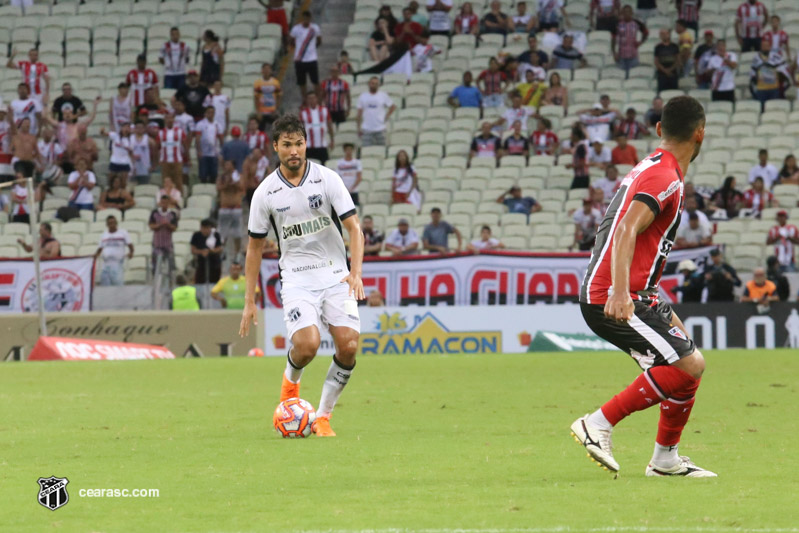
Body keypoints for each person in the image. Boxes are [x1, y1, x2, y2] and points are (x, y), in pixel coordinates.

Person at [573, 95, 716, 478]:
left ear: (659, 130)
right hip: (615, 294)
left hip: (640, 292)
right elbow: (624, 230)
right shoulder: (665, 177)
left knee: (688, 359)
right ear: (701, 133)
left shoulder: (656, 167)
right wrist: (620, 292)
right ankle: (598, 423)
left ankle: (666, 459)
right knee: (689, 365)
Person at [240, 114, 365, 438]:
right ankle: (289, 388)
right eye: (287, 145)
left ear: (306, 144)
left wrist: (355, 272)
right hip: (296, 278)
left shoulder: (327, 179)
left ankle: (322, 417)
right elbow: (254, 248)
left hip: (336, 274)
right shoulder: (265, 193)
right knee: (307, 346)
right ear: (275, 147)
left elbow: (354, 229)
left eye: (299, 143)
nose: (294, 150)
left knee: (349, 346)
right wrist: (248, 301)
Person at [216, 160, 246, 259]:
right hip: (224, 207)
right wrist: (227, 184)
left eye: (228, 164)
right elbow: (218, 188)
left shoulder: (239, 176)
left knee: (237, 233)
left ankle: (237, 253)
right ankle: (222, 251)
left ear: (233, 166)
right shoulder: (222, 177)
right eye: (225, 165)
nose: (226, 166)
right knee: (222, 232)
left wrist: (234, 184)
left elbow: (242, 187)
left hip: (236, 207)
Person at [94, 215, 134, 286]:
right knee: (105, 286)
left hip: (117, 263)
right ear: (107, 224)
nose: (112, 224)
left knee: (117, 284)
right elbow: (100, 248)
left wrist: (131, 253)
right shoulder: (104, 235)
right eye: (110, 223)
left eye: (113, 222)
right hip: (106, 264)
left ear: (116, 223)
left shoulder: (123, 233)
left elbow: (130, 245)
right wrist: (95, 256)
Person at [356, 77, 395, 147]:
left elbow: (392, 107)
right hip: (366, 129)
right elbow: (359, 113)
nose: (374, 85)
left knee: (382, 149)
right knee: (366, 150)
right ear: (369, 84)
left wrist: (387, 116)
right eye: (372, 83)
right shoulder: (363, 96)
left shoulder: (383, 95)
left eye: (376, 84)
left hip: (380, 128)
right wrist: (359, 128)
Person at [750, 39, 788, 110]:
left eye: (767, 46)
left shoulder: (777, 57)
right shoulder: (756, 59)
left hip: (774, 89)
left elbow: (783, 71)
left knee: (773, 109)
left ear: (770, 47)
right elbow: (753, 75)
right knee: (762, 109)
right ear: (760, 47)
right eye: (763, 46)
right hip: (761, 89)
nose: (765, 47)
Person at [611, 5, 648, 74]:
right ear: (622, 13)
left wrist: (641, 42)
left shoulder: (636, 23)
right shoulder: (618, 24)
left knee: (633, 76)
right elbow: (613, 38)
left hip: (633, 55)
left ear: (632, 13)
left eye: (628, 12)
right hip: (621, 56)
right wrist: (614, 52)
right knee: (621, 76)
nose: (626, 14)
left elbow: (646, 32)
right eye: (625, 12)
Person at [299, 92, 334, 164]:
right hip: (309, 146)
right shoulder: (303, 113)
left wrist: (332, 139)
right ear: (307, 100)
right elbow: (300, 129)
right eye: (309, 98)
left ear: (317, 99)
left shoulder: (324, 110)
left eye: (313, 98)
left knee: (324, 167)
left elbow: (329, 125)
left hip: (322, 145)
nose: (312, 100)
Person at [159, 112, 189, 193]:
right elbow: (158, 147)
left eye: (171, 118)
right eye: (167, 118)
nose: (169, 120)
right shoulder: (161, 132)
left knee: (178, 181)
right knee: (165, 181)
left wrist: (188, 159)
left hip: (177, 160)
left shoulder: (179, 131)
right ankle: (165, 198)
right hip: (165, 161)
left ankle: (180, 200)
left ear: (173, 119)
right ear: (165, 120)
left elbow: (185, 146)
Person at [149, 195, 178, 275]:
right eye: (162, 202)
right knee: (155, 266)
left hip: (168, 244)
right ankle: (155, 281)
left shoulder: (172, 214)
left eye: (166, 202)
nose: (164, 204)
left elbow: (174, 228)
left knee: (171, 265)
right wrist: (160, 225)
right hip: (157, 244)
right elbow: (151, 226)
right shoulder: (155, 213)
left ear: (168, 203)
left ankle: (171, 281)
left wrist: (167, 224)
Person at [194, 106, 223, 184]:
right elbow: (197, 139)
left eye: (212, 112)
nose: (211, 114)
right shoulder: (200, 124)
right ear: (206, 113)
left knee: (213, 174)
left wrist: (221, 152)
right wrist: (199, 151)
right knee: (203, 175)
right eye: (209, 112)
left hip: (214, 154)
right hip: (204, 153)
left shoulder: (217, 125)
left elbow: (221, 139)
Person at [191, 218, 223, 285]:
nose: (205, 231)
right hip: (201, 262)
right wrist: (201, 252)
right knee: (199, 281)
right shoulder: (196, 235)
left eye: (207, 228)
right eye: (203, 228)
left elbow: (219, 248)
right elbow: (193, 249)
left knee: (214, 282)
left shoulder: (215, 235)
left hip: (214, 262)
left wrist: (211, 251)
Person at [253, 63, 281, 131]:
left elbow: (279, 97)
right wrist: (258, 111)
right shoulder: (258, 83)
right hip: (262, 112)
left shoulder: (275, 83)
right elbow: (256, 98)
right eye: (265, 69)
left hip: (272, 111)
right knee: (260, 130)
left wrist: (276, 109)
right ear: (262, 71)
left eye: (268, 69)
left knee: (279, 129)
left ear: (271, 71)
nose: (266, 71)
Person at [130, 120, 156, 185]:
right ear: (135, 129)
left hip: (145, 167)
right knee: (132, 187)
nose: (139, 129)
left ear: (144, 129)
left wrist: (153, 165)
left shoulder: (148, 139)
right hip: (133, 168)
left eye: (141, 127)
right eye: (137, 127)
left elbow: (155, 151)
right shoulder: (130, 138)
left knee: (144, 186)